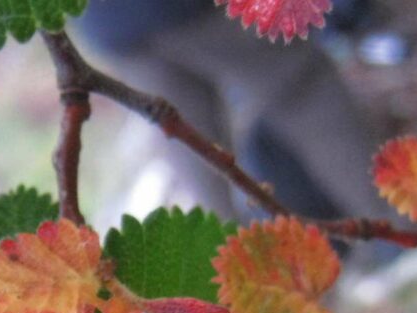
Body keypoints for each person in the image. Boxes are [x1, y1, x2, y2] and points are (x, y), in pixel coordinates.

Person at [74, 0, 397, 229]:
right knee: (302, 87)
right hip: (186, 9)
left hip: (107, 23)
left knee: (186, 142)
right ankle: (395, 224)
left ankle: (242, 300)